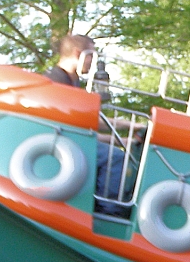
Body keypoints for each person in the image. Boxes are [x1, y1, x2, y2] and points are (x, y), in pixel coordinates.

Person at [44, 34, 141, 215]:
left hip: (71, 135)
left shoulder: (73, 81)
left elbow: (83, 121)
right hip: (59, 138)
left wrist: (121, 137)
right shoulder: (58, 81)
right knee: (114, 157)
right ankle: (108, 211)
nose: (92, 63)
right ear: (78, 53)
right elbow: (82, 121)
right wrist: (124, 128)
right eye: (91, 56)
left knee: (115, 151)